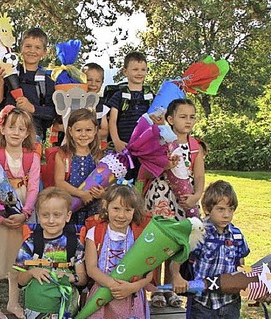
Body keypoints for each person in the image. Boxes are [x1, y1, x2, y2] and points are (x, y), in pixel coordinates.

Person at [143, 98, 205, 308]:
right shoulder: (160, 142)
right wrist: (164, 164)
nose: (188, 121)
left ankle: (171, 287)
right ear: (170, 119)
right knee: (158, 243)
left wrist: (196, 197)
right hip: (160, 198)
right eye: (183, 116)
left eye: (192, 117)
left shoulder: (195, 146)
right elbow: (147, 169)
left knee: (177, 244)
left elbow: (199, 175)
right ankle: (155, 289)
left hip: (183, 201)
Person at [0, 106, 40, 319]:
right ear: (3, 129)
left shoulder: (32, 157)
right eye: (12, 127)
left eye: (22, 129)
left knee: (18, 257)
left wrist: (26, 213)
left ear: (27, 133)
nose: (16, 132)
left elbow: (34, 186)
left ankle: (13, 302)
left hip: (23, 209)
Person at [170, 180, 250, 319]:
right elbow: (176, 262)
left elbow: (241, 265)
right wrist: (177, 277)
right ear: (207, 209)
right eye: (221, 209)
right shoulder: (199, 233)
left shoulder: (237, 236)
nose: (226, 215)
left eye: (230, 209)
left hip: (230, 304)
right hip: (202, 305)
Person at [15, 187, 87, 319]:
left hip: (65, 309)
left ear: (68, 216)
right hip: (36, 308)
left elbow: (82, 279)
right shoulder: (30, 242)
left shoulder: (74, 243)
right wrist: (31, 272)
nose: (51, 220)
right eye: (45, 215)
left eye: (57, 215)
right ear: (38, 215)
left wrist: (70, 277)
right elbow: (20, 280)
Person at [83, 184, 153, 318]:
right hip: (102, 295)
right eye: (116, 208)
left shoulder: (140, 236)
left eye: (127, 210)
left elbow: (148, 274)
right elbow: (91, 269)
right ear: (106, 205)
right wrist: (114, 286)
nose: (121, 215)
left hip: (132, 296)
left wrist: (132, 287)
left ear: (134, 210)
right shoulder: (95, 233)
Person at [0, 27, 56, 142]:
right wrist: (1, 81)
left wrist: (32, 108)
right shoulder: (10, 71)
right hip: (6, 134)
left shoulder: (47, 81)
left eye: (37, 47)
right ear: (21, 48)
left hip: (32, 136)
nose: (32, 51)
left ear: (44, 52)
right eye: (28, 46)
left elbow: (52, 113)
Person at [106, 51, 153, 179]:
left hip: (144, 148)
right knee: (123, 179)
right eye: (135, 69)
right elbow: (113, 121)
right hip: (124, 146)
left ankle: (140, 198)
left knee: (141, 179)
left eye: (143, 69)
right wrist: (116, 141)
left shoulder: (150, 96)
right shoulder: (119, 95)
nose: (139, 73)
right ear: (125, 71)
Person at [53, 108, 104, 225]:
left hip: (94, 209)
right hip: (70, 207)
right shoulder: (63, 154)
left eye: (88, 130)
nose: (84, 134)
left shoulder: (99, 155)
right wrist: (81, 194)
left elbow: (107, 181)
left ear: (95, 130)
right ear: (70, 131)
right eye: (79, 130)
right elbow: (59, 182)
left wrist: (102, 194)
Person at [82, 62, 109, 147]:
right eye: (89, 80)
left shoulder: (102, 107)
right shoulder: (74, 102)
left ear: (102, 83)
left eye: (97, 81)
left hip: (95, 150)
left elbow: (104, 132)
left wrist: (83, 134)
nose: (93, 84)